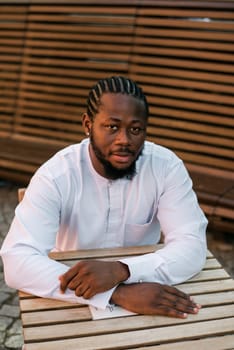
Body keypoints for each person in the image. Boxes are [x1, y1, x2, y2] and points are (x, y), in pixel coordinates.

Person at [1, 76, 207, 318]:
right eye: (112, 127)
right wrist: (117, 294)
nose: (124, 140)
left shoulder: (165, 167)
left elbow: (192, 246)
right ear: (88, 125)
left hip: (145, 284)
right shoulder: (57, 175)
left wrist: (124, 271)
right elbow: (17, 260)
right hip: (70, 299)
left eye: (135, 129)